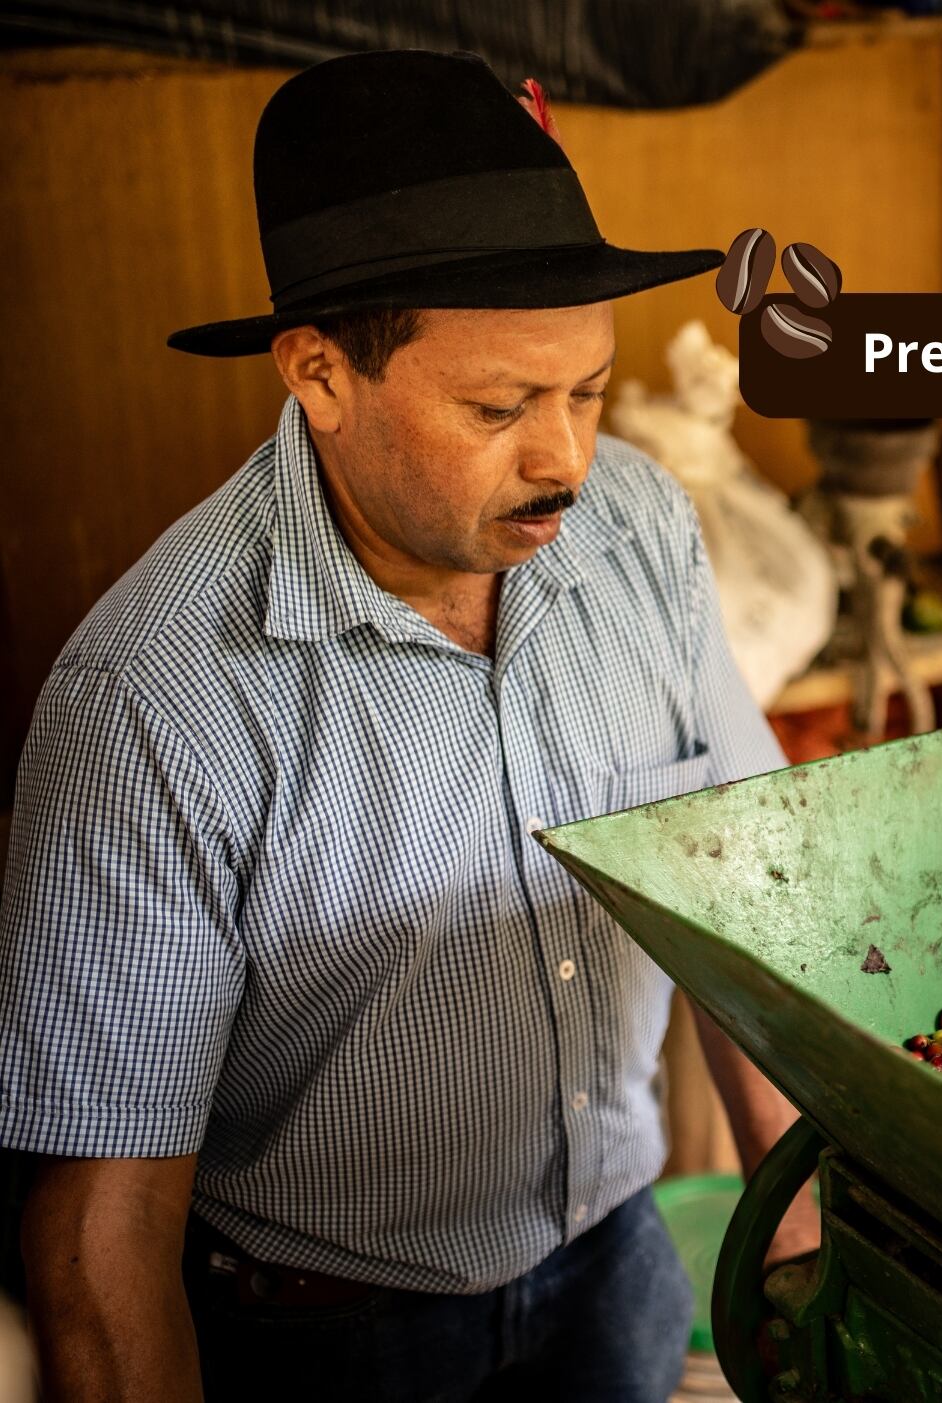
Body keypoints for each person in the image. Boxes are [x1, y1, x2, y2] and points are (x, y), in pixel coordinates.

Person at [1, 49, 813, 1403]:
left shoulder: (637, 530)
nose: (563, 458)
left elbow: (736, 880)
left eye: (589, 389)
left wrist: (790, 1227)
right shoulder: (154, 698)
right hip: (328, 1335)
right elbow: (105, 1222)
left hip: (617, 1263)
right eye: (499, 408)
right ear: (321, 376)